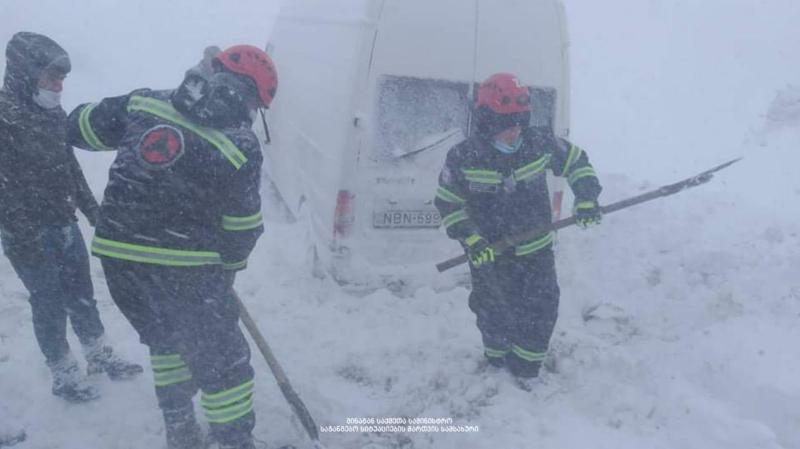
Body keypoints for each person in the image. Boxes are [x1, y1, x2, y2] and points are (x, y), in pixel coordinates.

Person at [66, 45, 277, 449]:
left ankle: (180, 427)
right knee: (223, 363)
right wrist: (227, 268)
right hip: (185, 270)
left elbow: (81, 128)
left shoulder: (145, 103)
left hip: (120, 261)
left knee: (166, 340)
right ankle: (234, 442)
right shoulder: (241, 144)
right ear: (250, 98)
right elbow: (242, 227)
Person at [0, 31, 142, 403]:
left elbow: (69, 168)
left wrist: (93, 212)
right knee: (47, 301)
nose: (59, 86)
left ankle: (99, 354)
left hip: (63, 222)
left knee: (81, 294)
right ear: (24, 72)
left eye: (62, 78)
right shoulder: (3, 117)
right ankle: (63, 373)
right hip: (26, 232)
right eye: (52, 77)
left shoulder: (52, 113)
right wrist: (23, 233)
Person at [434, 73, 603, 380]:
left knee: (541, 310)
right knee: (493, 313)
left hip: (536, 253)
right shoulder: (463, 158)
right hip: (489, 256)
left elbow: (577, 162)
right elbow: (448, 203)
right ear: (488, 121)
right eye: (505, 124)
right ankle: (496, 362)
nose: (514, 131)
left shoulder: (539, 144)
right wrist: (471, 239)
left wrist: (587, 198)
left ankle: (526, 369)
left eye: (518, 123)